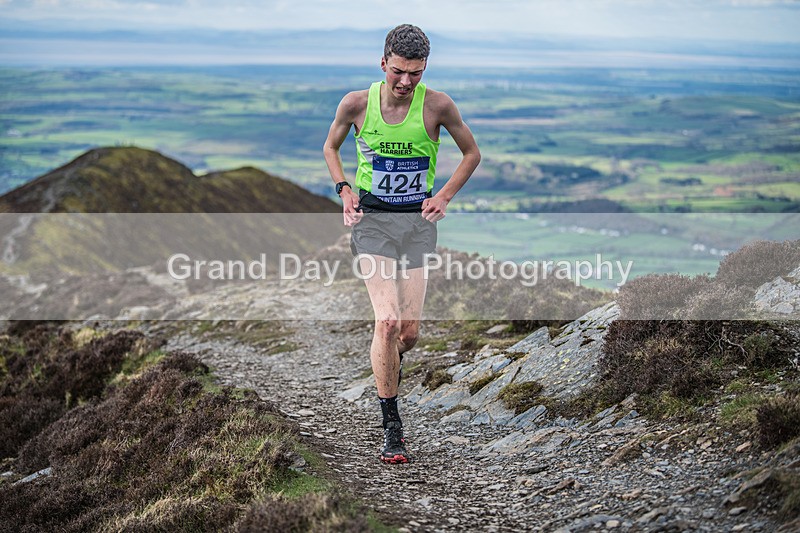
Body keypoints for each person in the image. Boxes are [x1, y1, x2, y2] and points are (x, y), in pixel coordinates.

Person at [322, 24, 480, 464]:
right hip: (372, 223)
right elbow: (330, 147)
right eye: (398, 72)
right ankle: (392, 427)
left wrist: (444, 195)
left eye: (416, 73)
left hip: (417, 226)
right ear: (383, 63)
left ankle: (386, 361)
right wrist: (344, 189)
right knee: (387, 321)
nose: (406, 82)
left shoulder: (438, 106)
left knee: (408, 333)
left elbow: (472, 153)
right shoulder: (356, 104)